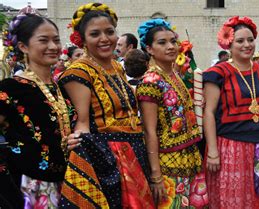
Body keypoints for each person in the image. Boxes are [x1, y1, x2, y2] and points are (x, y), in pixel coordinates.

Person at [57, 3, 154, 208]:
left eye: (109, 32)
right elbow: (83, 122)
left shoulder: (117, 67)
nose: (104, 39)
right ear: (82, 40)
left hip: (134, 149)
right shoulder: (79, 72)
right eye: (95, 34)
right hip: (107, 156)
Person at [0, 13, 74, 208]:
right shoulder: (10, 88)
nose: (53, 46)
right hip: (31, 186)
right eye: (43, 40)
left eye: (56, 40)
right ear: (23, 46)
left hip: (70, 182)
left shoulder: (62, 86)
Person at [203, 16, 259, 208]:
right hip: (231, 147)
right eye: (240, 41)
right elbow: (209, 113)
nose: (247, 45)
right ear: (229, 43)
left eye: (250, 40)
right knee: (233, 200)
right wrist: (212, 151)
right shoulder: (218, 73)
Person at [135, 18, 209, 208]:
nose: (171, 46)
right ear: (149, 48)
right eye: (162, 42)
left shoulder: (174, 75)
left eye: (173, 41)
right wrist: (156, 175)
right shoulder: (150, 81)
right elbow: (149, 131)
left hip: (189, 156)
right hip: (168, 162)